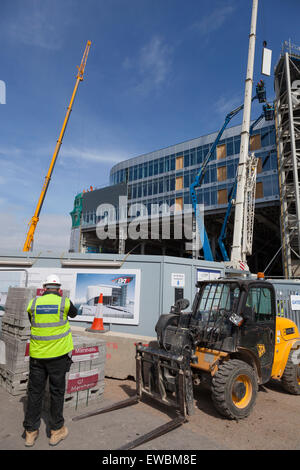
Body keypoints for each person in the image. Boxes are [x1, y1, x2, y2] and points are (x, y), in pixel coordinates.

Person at [23, 274, 77, 447]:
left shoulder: (34, 303)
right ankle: (56, 431)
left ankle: (30, 432)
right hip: (58, 356)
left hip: (38, 356)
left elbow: (33, 322)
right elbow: (75, 314)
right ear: (59, 289)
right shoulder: (64, 302)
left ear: (44, 288)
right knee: (56, 392)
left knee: (35, 393)